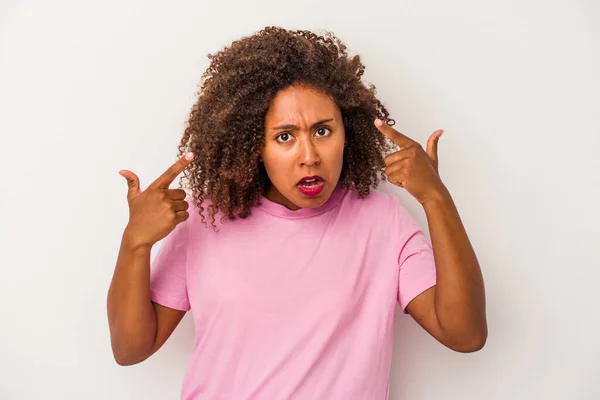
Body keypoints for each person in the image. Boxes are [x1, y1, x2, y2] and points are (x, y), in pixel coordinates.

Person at [106, 26, 487, 399]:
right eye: (285, 136)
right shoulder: (206, 221)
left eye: (323, 131)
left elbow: (465, 335)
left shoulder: (381, 221)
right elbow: (131, 349)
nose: (309, 157)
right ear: (253, 143)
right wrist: (134, 244)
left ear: (346, 132)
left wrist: (437, 199)